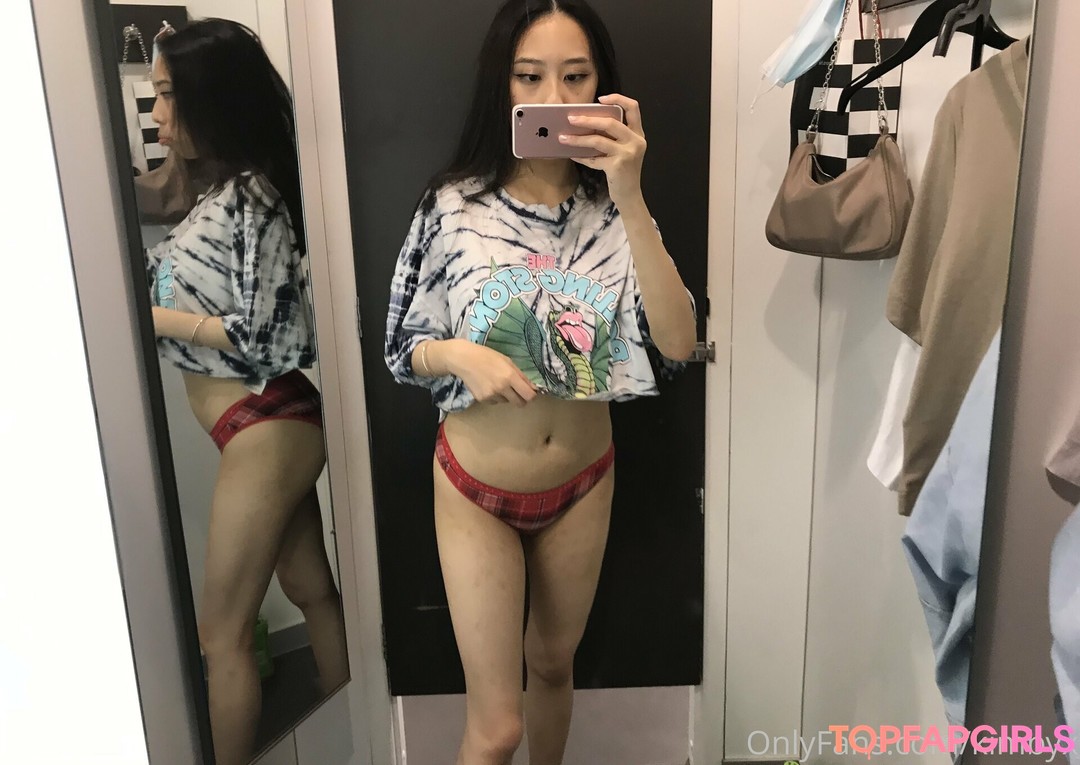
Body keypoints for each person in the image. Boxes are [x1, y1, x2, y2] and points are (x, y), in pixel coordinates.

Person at [384, 2, 695, 763]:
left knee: (554, 666)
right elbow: (401, 347)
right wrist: (460, 356)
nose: (553, 96)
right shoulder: (453, 206)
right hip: (476, 487)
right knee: (496, 728)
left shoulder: (614, 209)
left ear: (602, 87)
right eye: (530, 77)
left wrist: (631, 192)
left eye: (574, 77)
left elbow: (679, 344)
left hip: (584, 479)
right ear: (503, 85)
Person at [145, 19, 348, 765]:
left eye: (167, 94)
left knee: (220, 634)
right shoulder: (219, 193)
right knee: (310, 589)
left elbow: (272, 338)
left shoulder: (253, 198)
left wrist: (151, 316)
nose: (157, 113)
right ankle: (350, 729)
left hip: (266, 418)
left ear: (211, 98)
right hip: (257, 422)